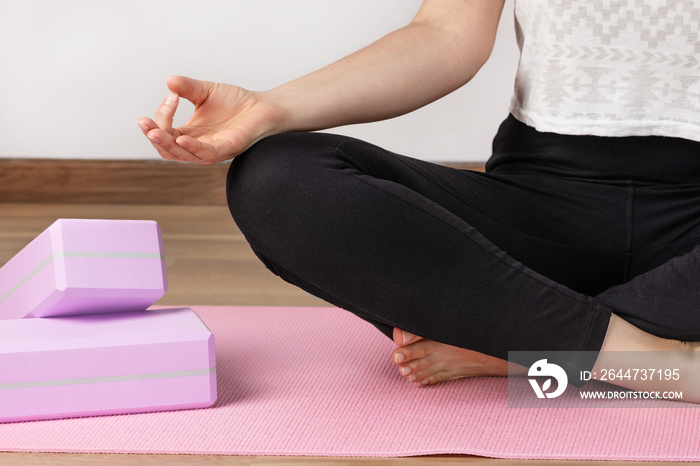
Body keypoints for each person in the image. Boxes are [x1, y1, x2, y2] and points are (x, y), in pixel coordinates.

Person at [138, 0, 700, 398]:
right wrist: (271, 109)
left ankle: (515, 344)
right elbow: (444, 34)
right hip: (539, 209)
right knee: (277, 178)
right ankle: (648, 360)